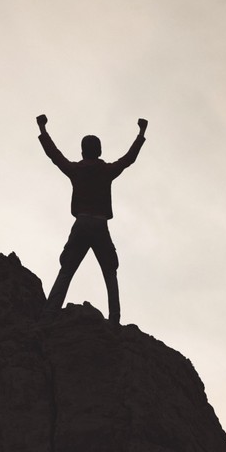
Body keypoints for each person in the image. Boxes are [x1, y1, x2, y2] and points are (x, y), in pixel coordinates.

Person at [37, 113, 146, 322]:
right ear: (99, 151)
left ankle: (49, 313)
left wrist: (43, 130)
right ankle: (114, 318)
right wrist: (141, 133)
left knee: (67, 270)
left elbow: (54, 155)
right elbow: (129, 159)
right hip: (99, 224)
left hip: (82, 223)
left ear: (82, 151)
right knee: (109, 272)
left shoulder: (76, 170)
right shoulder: (106, 171)